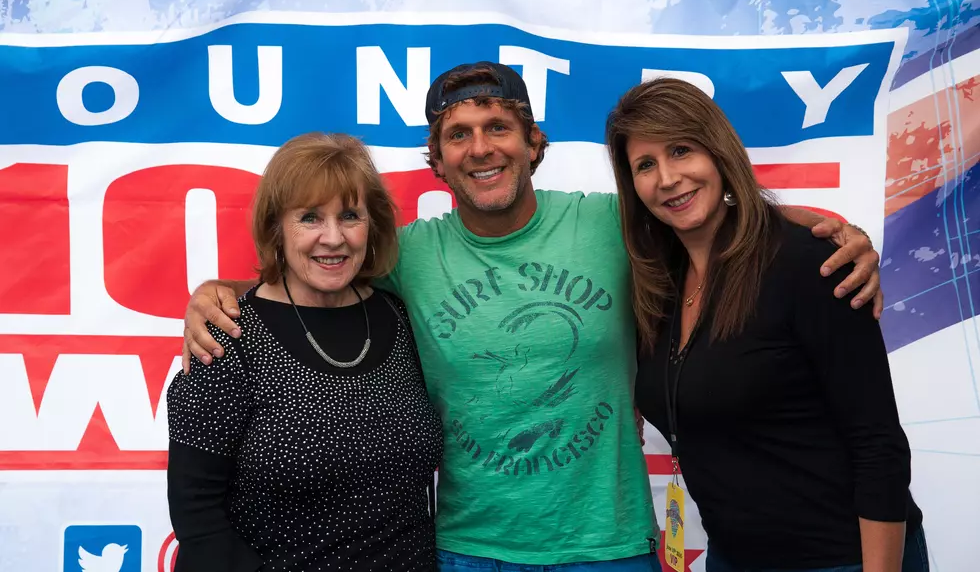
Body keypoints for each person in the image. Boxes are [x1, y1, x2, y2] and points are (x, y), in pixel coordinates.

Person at [180, 63, 884, 571]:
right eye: (458, 134)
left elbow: (711, 217)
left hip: (607, 545)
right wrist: (222, 289)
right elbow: (319, 264)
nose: (480, 146)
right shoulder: (409, 254)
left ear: (532, 143)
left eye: (497, 127)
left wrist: (829, 229)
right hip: (469, 547)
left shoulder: (611, 225)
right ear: (438, 160)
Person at [606, 78, 927, 572]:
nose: (667, 178)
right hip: (733, 556)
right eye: (645, 165)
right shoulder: (658, 284)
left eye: (681, 150)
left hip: (841, 559)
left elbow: (877, 442)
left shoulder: (810, 263)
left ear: (718, 152)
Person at [166, 133, 442, 571]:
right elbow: (198, 520)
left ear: (372, 225)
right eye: (310, 218)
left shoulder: (401, 317)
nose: (332, 238)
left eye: (350, 215)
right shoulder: (228, 332)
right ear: (276, 226)